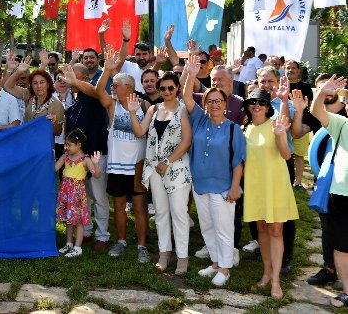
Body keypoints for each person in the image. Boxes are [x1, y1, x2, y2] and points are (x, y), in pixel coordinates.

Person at [183, 54, 245, 286]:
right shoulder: (199, 120)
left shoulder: (233, 129)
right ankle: (216, 263)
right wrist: (190, 73)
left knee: (223, 228)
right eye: (210, 101)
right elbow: (186, 97)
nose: (214, 104)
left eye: (219, 101)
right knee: (207, 226)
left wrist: (234, 187)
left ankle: (226, 268)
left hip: (223, 187)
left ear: (225, 104)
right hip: (200, 184)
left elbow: (238, 160)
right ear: (205, 104)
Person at [128, 72, 192, 274]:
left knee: (179, 213)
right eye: (162, 88)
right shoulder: (154, 109)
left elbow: (187, 141)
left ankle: (183, 257)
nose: (166, 92)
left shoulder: (183, 110)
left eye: (170, 88)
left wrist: (168, 161)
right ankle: (165, 253)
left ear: (177, 89)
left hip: (177, 168)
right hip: (155, 168)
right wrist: (132, 112)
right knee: (161, 213)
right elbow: (140, 132)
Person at [94, 47, 150, 263]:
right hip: (117, 165)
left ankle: (142, 245)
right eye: (113, 84)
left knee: (139, 207)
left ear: (130, 87)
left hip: (137, 165)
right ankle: (122, 241)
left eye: (116, 85)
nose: (113, 88)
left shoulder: (144, 106)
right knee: (118, 206)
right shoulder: (112, 105)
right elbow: (99, 91)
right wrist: (107, 71)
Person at [241, 88, 298, 299]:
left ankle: (276, 281)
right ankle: (266, 273)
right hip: (255, 185)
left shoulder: (275, 125)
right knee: (261, 229)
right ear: (247, 105)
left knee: (276, 230)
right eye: (253, 101)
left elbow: (285, 154)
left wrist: (281, 135)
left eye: (262, 102)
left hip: (274, 184)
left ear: (268, 107)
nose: (257, 105)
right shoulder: (244, 129)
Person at [291, 74, 347, 287]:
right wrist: (298, 112)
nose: (327, 90)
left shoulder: (344, 113)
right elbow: (297, 133)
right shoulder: (318, 114)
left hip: (344, 177)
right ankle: (329, 268)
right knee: (328, 226)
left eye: (330, 86)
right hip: (325, 178)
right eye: (322, 87)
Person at [61, 63, 111, 250]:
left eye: (74, 76)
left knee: (99, 197)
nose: (69, 79)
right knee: (84, 197)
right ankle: (87, 231)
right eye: (68, 76)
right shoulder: (72, 102)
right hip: (78, 159)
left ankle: (103, 236)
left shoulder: (94, 96)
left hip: (97, 154)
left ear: (86, 79)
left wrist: (77, 82)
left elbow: (97, 92)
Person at [308, 75, 348, 308]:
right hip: (340, 195)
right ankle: (346, 291)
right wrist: (322, 91)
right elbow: (316, 111)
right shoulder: (340, 124)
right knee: (341, 246)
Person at [55, 129, 101, 258]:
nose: (66, 147)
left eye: (69, 145)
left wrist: (96, 164)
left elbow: (96, 175)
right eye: (66, 144)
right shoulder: (65, 156)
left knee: (78, 221)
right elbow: (54, 168)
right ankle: (69, 243)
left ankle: (77, 247)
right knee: (69, 220)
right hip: (65, 191)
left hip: (77, 193)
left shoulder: (85, 159)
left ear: (79, 145)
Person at [155, 0, 224, 51]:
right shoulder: (162, 3)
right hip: (167, 60)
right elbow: (154, 31)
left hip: (200, 60)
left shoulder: (215, 10)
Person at [3, 55, 65, 141]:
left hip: (43, 148)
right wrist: (18, 72)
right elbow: (7, 86)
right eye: (35, 83)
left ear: (48, 84)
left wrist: (54, 124)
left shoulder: (57, 105)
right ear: (31, 85)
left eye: (42, 82)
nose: (39, 86)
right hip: (26, 143)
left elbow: (58, 132)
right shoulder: (29, 95)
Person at [285, 59, 312, 190]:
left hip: (301, 126)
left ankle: (298, 182)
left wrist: (306, 125)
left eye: (293, 68)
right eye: (288, 68)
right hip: (284, 126)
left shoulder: (306, 87)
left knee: (299, 154)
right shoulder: (281, 86)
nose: (290, 70)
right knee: (285, 154)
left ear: (299, 70)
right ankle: (286, 180)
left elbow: (311, 108)